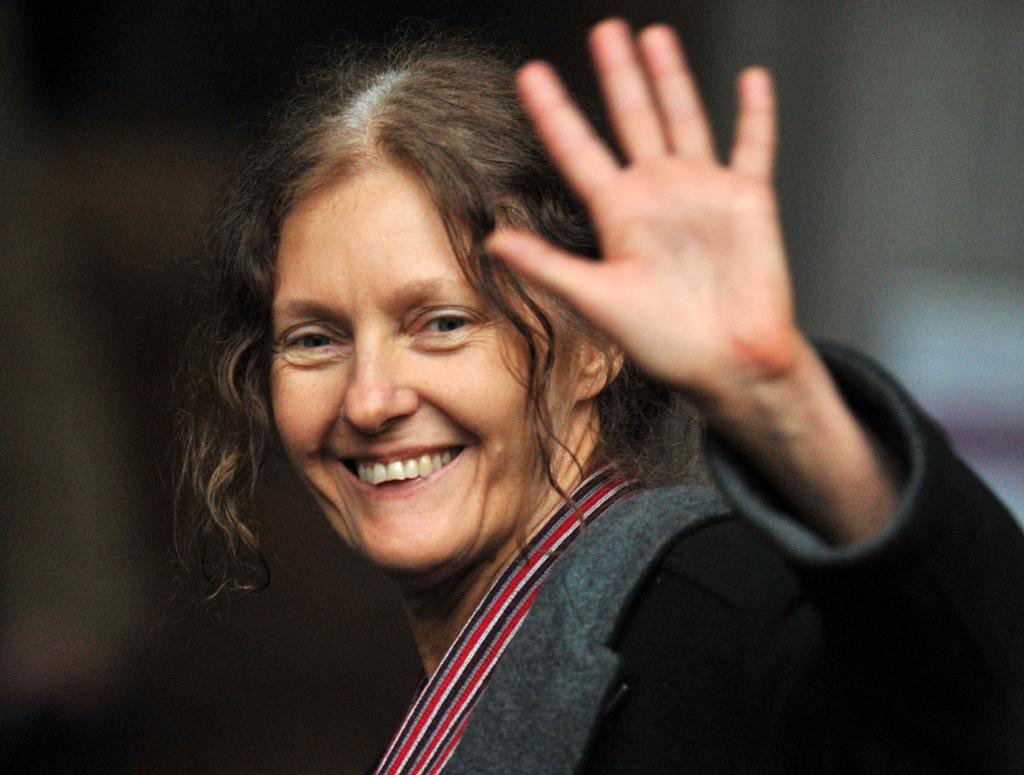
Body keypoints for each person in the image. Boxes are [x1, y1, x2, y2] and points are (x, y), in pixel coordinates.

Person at [177, 18, 1024, 774]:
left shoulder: (731, 622)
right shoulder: (465, 705)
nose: (368, 398)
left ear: (596, 346)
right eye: (314, 339)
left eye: (440, 323)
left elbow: (982, 710)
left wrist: (788, 402)